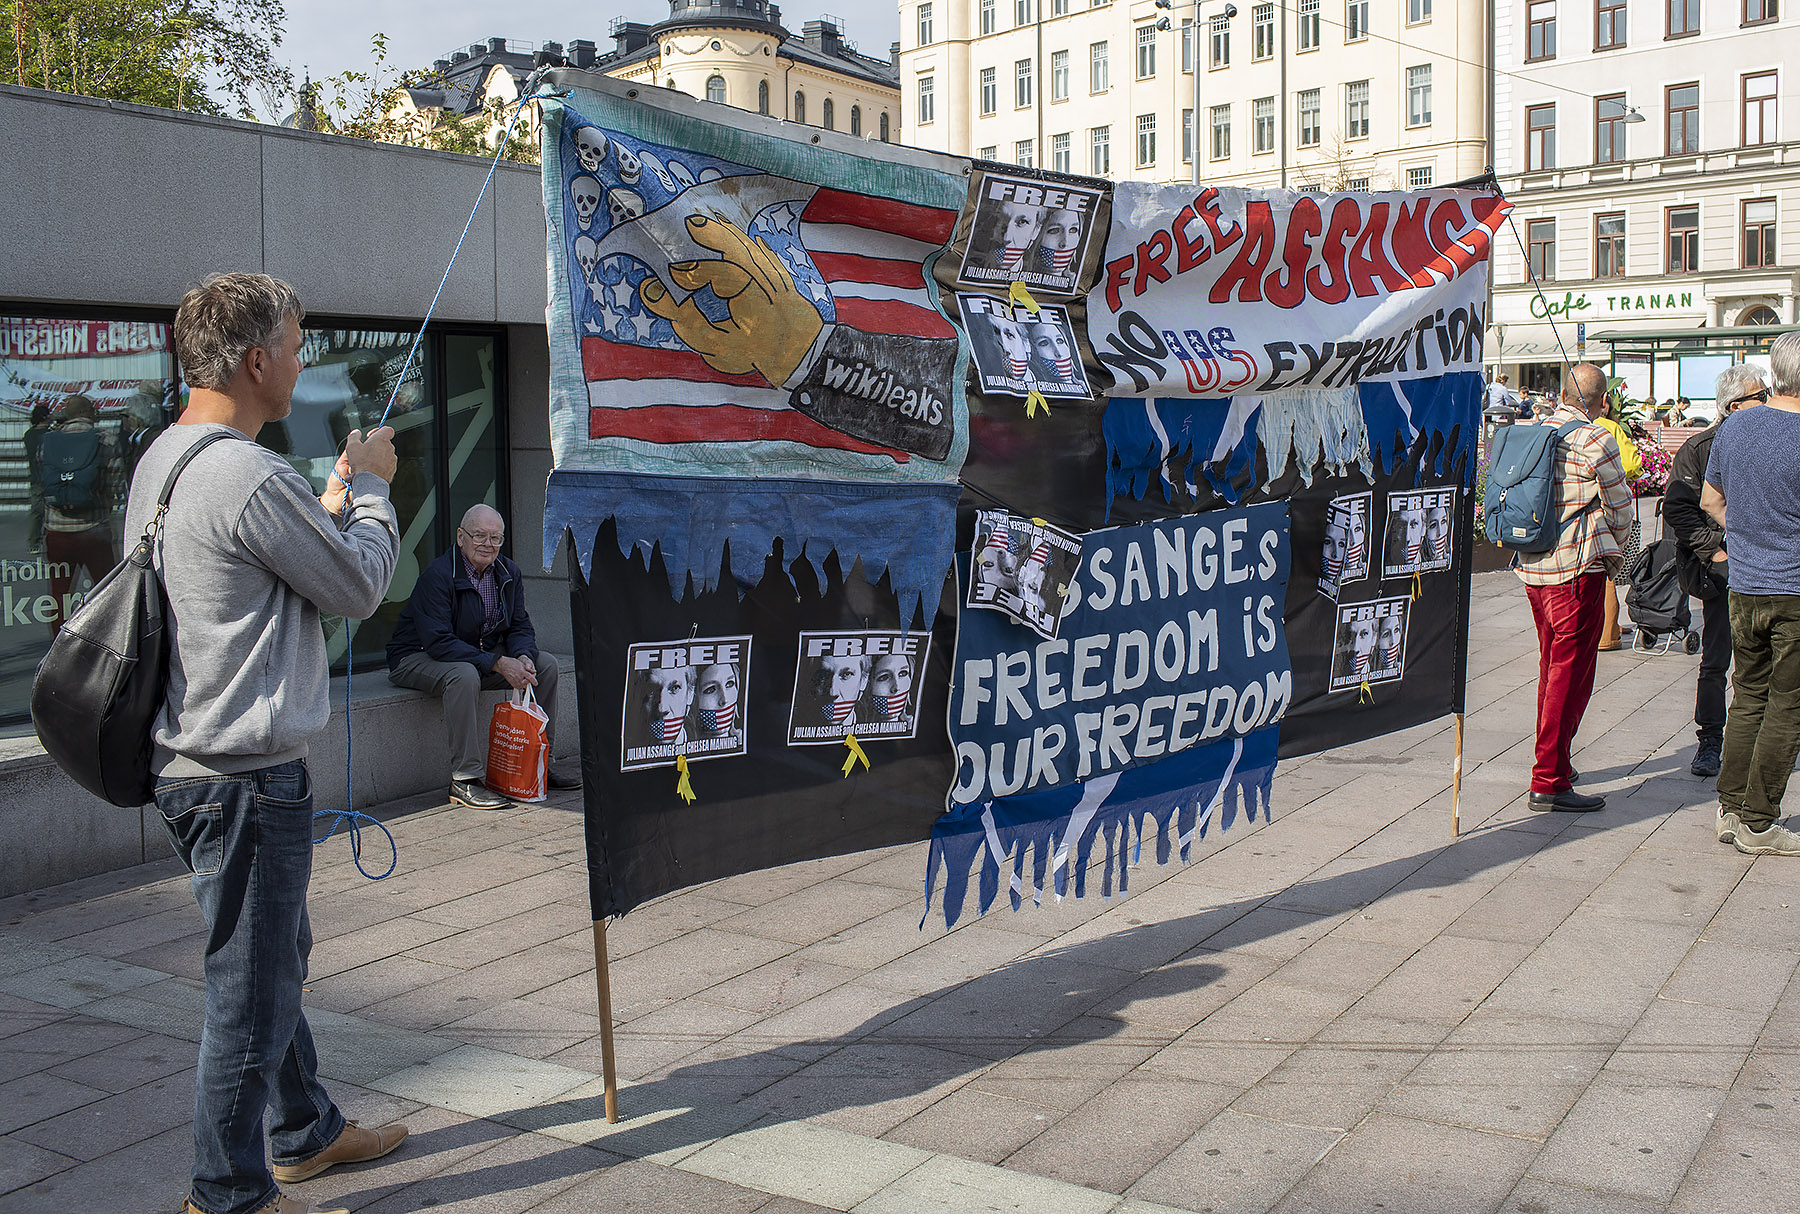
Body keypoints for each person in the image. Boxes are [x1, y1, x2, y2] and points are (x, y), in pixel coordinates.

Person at [125, 273, 408, 1214]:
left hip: (195, 765)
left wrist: (327, 502)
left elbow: (248, 579)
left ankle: (305, 1131)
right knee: (251, 996)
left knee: (270, 961)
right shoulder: (247, 474)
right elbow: (358, 586)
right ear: (255, 361)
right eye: (293, 346)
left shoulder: (169, 457)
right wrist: (374, 488)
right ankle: (227, 1194)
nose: (300, 361)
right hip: (244, 775)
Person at [387, 504, 578, 809]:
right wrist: (498, 663)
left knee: (545, 666)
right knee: (463, 674)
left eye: (495, 538)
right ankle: (465, 779)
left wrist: (523, 656)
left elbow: (519, 625)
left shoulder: (509, 572)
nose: (488, 544)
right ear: (461, 537)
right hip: (416, 656)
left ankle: (539, 763)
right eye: (479, 536)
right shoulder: (438, 575)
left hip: (474, 655)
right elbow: (438, 642)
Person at [1515, 362, 1634, 812]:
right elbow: (1621, 507)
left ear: (1562, 394)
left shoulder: (1535, 430)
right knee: (1571, 673)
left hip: (1533, 565)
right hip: (1577, 568)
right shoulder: (1595, 437)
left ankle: (1555, 760)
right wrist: (1612, 549)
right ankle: (1549, 778)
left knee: (1551, 666)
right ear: (1601, 401)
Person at [1701, 333, 1800, 856]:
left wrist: (1744, 539)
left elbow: (1710, 499)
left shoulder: (1736, 424)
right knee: (1787, 704)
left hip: (1745, 585)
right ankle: (1759, 821)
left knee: (1748, 695)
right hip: (1793, 591)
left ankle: (1731, 807)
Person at [1667, 364, 1768, 780]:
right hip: (1722, 570)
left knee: (1763, 658)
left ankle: (1759, 741)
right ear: (1734, 405)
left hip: (1769, 566)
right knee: (1717, 657)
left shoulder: (1773, 438)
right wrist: (1717, 553)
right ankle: (1710, 739)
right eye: (1760, 396)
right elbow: (1679, 508)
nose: (1767, 402)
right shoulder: (1700, 447)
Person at [39, 394, 120, 638]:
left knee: (59, 593)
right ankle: (106, 640)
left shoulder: (49, 441)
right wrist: (106, 507)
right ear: (89, 413)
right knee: (106, 591)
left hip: (57, 530)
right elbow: (116, 483)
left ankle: (58, 642)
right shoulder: (105, 439)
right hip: (93, 529)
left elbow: (43, 481)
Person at [1593, 392, 1644, 651]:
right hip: (1607, 505)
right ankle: (1608, 634)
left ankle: (1599, 628)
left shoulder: (1571, 425)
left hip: (1577, 509)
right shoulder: (1610, 427)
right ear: (1605, 403)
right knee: (1607, 573)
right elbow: (1633, 464)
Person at [21, 403, 51, 554]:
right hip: (50, 477)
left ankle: (34, 542)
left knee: (36, 512)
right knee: (53, 512)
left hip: (35, 477)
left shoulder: (28, 434)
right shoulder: (50, 434)